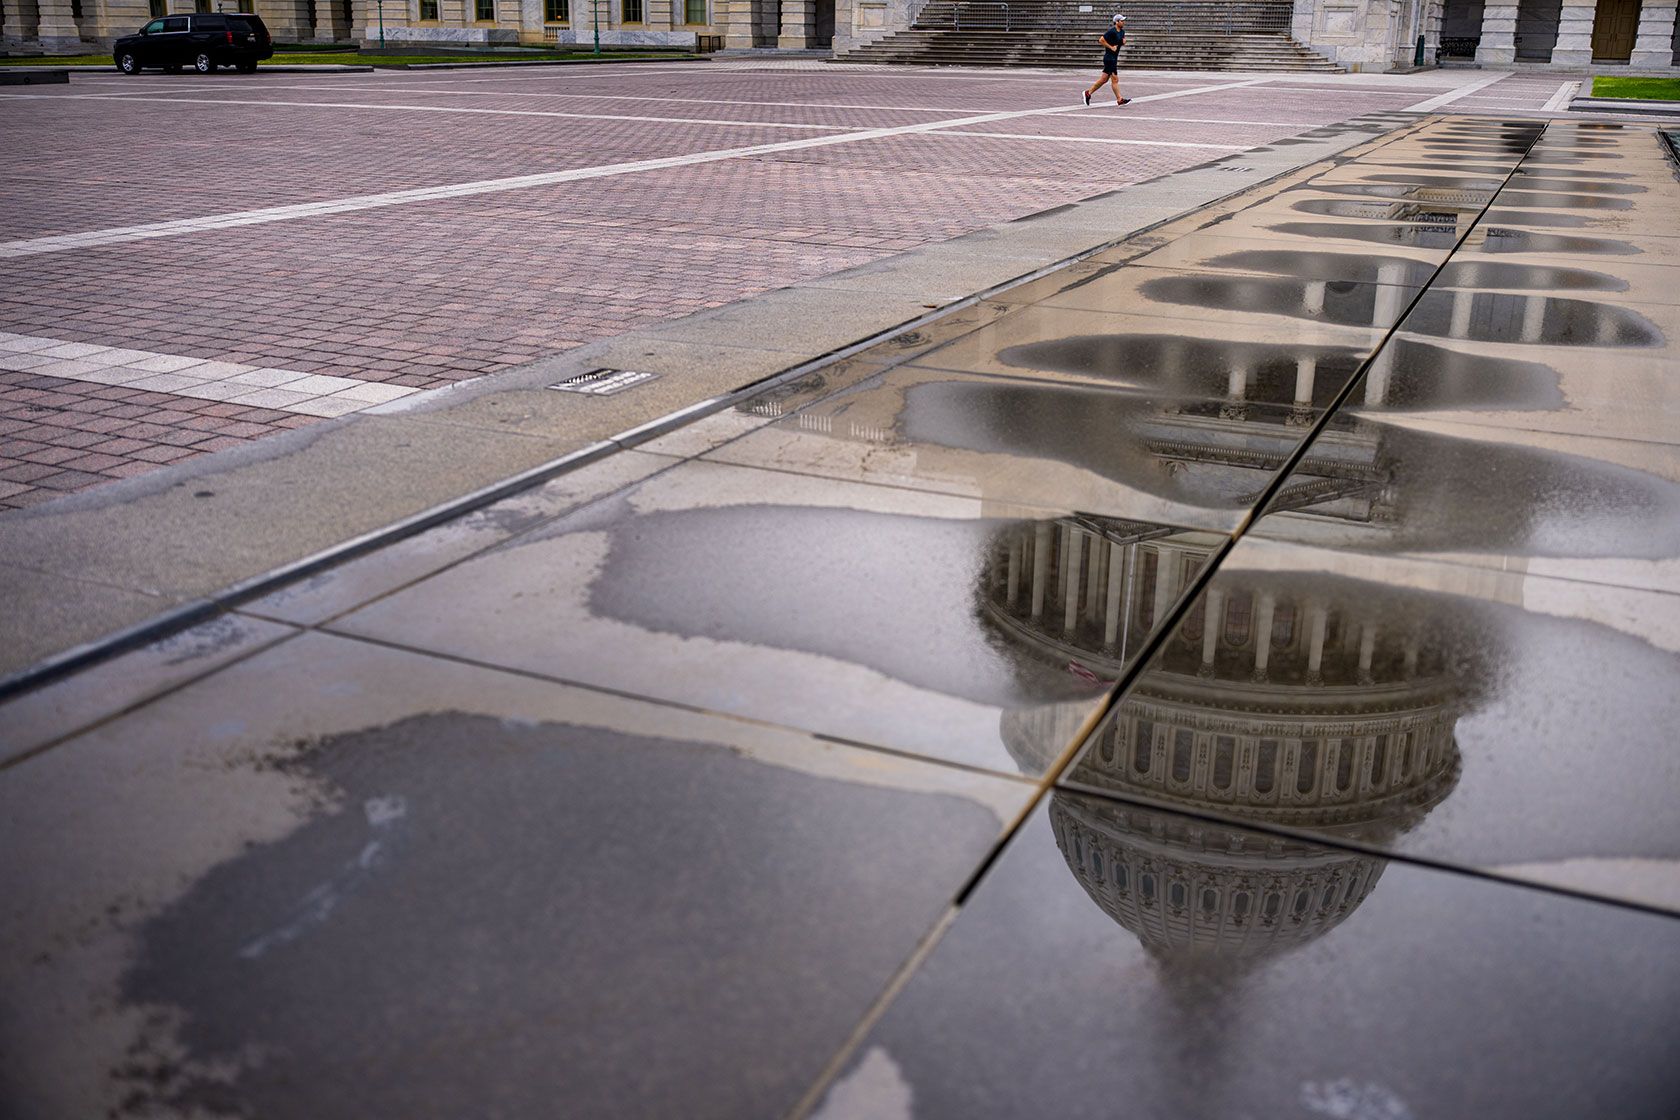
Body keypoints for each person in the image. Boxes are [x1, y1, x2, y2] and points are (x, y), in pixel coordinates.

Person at [1083, 14, 1131, 107]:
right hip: (1109, 58)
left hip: (1114, 58)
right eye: (1121, 21)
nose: (1123, 22)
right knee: (1115, 79)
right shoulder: (1111, 32)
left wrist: (1123, 42)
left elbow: (1119, 43)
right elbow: (1101, 40)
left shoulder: (1122, 32)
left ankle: (1088, 93)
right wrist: (1111, 47)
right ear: (1116, 22)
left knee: (1104, 80)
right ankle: (1119, 99)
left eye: (1123, 20)